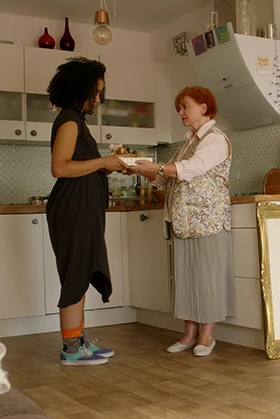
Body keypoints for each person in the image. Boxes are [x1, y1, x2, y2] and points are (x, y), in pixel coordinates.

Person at [127, 86, 235, 357]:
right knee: (184, 276)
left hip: (208, 219)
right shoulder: (188, 142)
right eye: (179, 107)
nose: (180, 112)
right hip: (183, 220)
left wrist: (157, 167)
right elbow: (164, 177)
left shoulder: (216, 140)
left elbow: (192, 169)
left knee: (207, 277)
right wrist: (142, 167)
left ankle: (207, 336)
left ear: (203, 107)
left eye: (185, 106)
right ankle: (189, 333)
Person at [46, 58, 126, 366]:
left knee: (80, 271)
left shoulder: (77, 120)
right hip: (74, 209)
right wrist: (103, 162)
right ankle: (71, 349)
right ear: (82, 89)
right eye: (97, 90)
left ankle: (76, 341)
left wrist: (111, 165)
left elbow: (82, 167)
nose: (99, 98)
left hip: (83, 209)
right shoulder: (69, 120)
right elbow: (60, 167)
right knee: (75, 275)